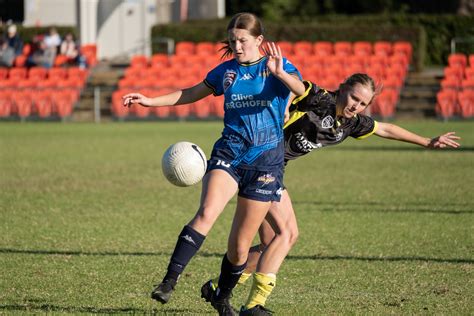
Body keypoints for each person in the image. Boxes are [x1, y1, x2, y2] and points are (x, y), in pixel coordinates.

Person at [205, 73, 461, 315]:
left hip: (272, 170)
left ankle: (217, 288)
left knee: (270, 245)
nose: (355, 106)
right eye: (353, 97)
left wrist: (427, 141)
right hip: (258, 164)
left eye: (362, 103)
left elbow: (386, 128)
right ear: (343, 88)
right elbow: (295, 87)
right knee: (288, 234)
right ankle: (254, 306)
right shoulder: (321, 100)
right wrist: (284, 99)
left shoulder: (351, 123)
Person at [122, 12, 305, 316]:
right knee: (207, 212)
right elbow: (193, 92)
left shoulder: (277, 66)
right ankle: (169, 281)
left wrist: (280, 74)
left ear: (259, 40)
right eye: (232, 40)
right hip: (230, 152)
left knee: (240, 248)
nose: (236, 45)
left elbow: (301, 90)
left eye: (242, 40)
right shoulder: (226, 72)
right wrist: (150, 101)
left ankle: (222, 296)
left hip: (265, 163)